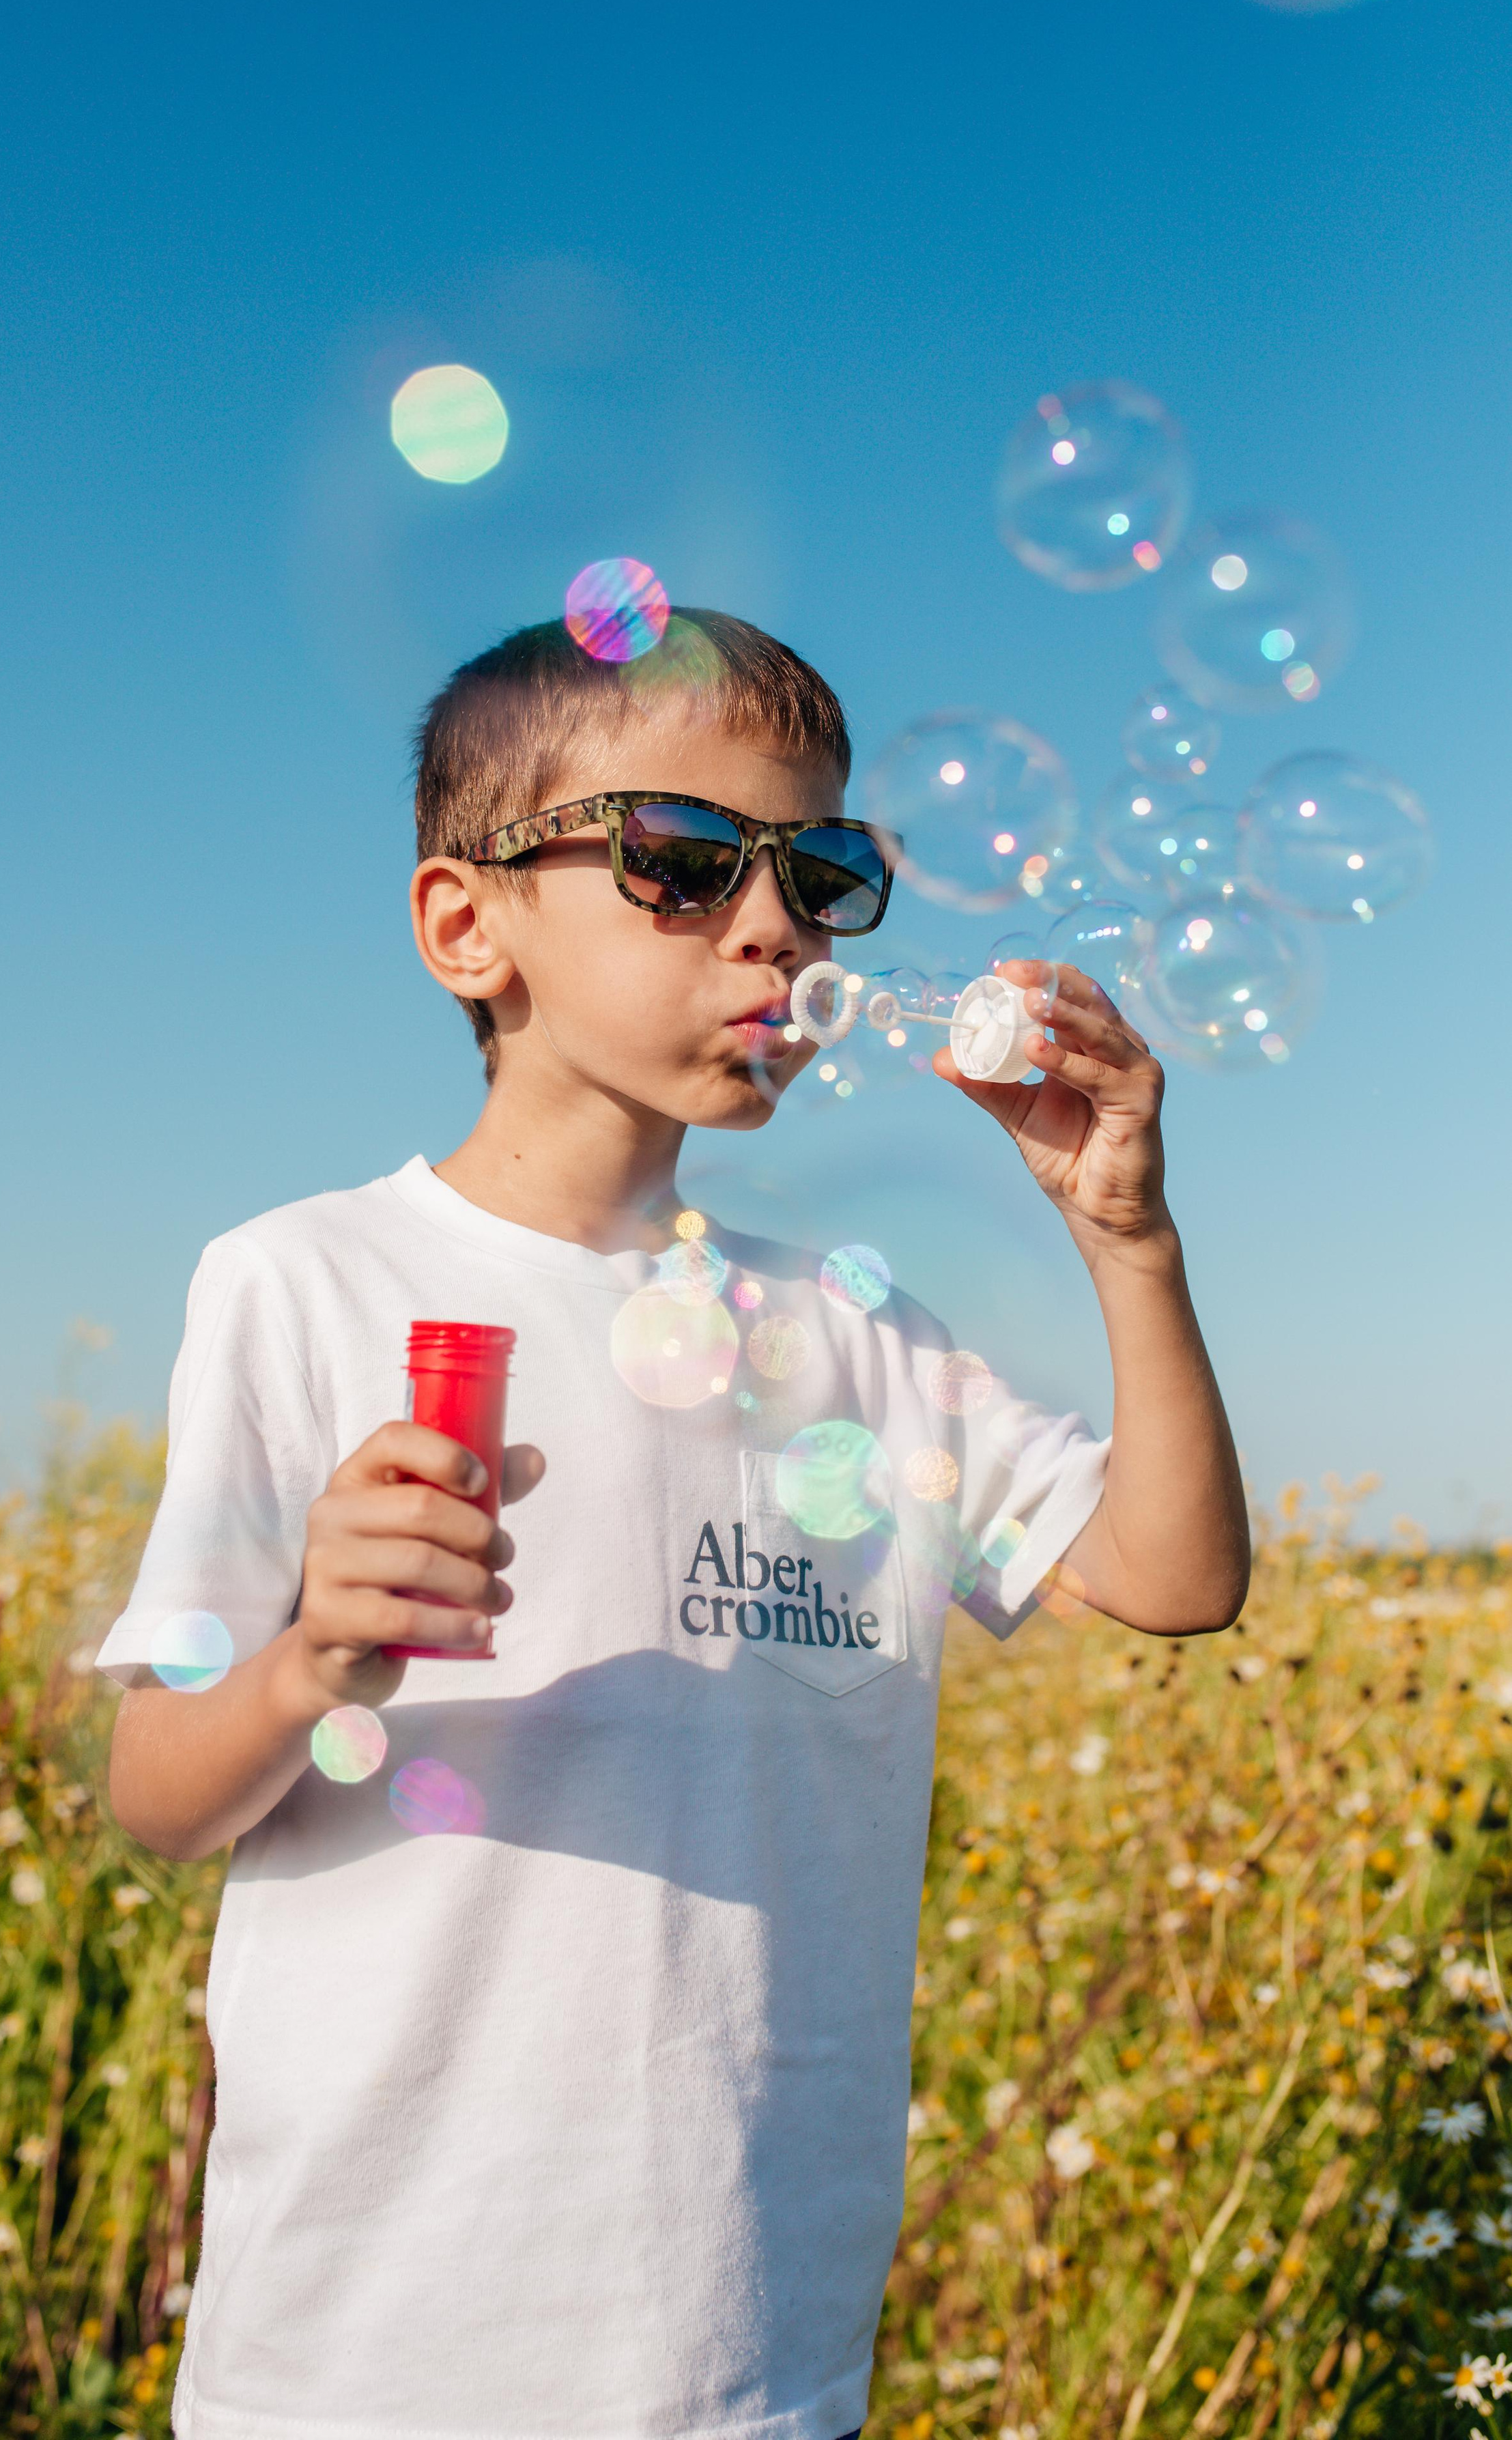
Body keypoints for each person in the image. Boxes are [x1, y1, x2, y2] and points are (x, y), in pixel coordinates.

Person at [102, 609, 1249, 2440]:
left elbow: (1176, 1578)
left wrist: (1126, 1237)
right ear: (467, 927)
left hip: (748, 2358)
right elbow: (156, 1792)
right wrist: (309, 1659)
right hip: (362, 2358)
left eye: (826, 871)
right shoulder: (307, 1281)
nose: (775, 925)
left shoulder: (861, 1341)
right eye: (682, 860)